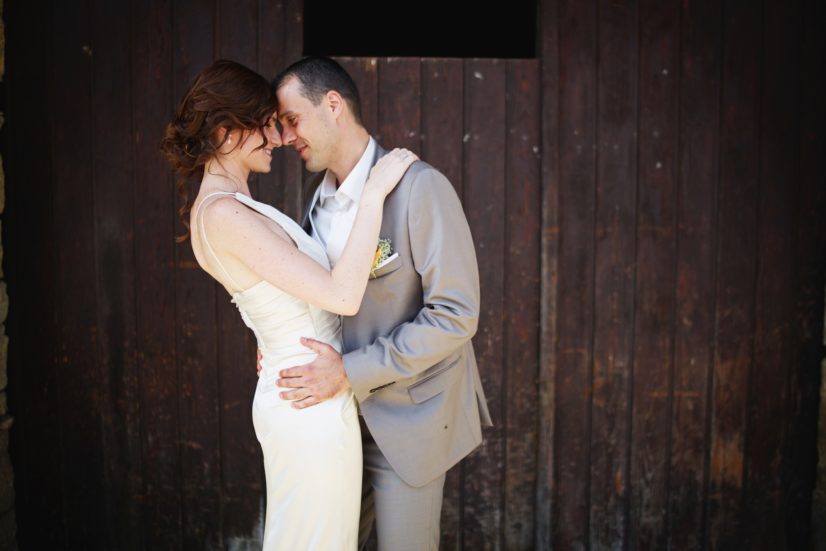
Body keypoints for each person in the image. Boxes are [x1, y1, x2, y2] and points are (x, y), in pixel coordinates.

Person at [161, 59, 417, 550]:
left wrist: (273, 339)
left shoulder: (232, 206)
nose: (279, 138)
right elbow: (341, 295)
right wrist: (374, 192)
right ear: (225, 130)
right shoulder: (223, 214)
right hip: (308, 407)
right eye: (266, 124)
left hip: (308, 388)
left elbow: (270, 293)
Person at [270, 56, 492, 550]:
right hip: (336, 421)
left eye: (292, 120)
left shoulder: (421, 188)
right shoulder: (314, 197)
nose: (285, 137)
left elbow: (456, 315)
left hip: (408, 419)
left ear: (333, 105)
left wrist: (350, 371)